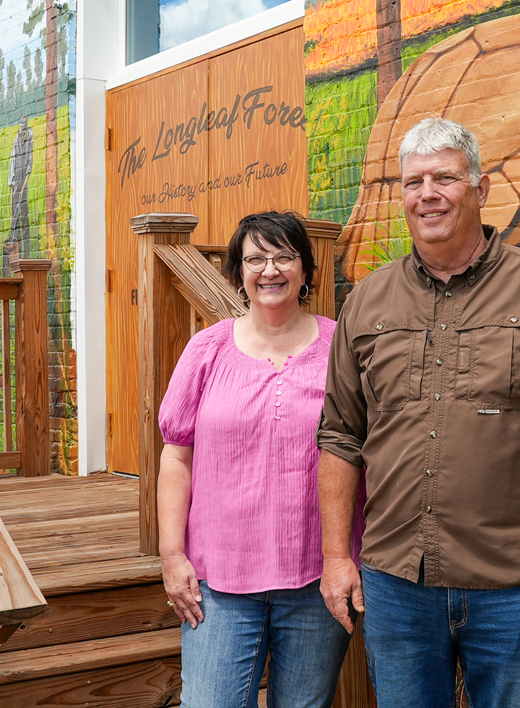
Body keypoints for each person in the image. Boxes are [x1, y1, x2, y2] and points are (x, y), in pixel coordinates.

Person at [318, 117, 520, 707]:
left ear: (480, 189)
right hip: (396, 584)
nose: (427, 194)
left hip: (510, 588)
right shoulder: (367, 302)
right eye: (413, 182)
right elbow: (339, 436)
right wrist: (337, 557)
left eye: (444, 177)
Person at [158, 211, 352, 708]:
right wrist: (171, 555)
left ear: (305, 270)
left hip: (316, 577)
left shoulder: (341, 348)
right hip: (219, 583)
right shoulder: (207, 349)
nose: (270, 270)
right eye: (255, 259)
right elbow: (176, 457)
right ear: (239, 273)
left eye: (284, 256)